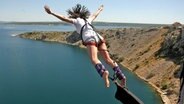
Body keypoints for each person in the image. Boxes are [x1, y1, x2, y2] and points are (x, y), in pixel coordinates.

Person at [44, 4, 126, 88]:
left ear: (74, 15)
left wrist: (52, 12)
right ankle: (122, 77)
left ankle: (103, 72)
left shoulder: (76, 21)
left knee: (94, 59)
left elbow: (63, 18)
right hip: (99, 37)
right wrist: (100, 9)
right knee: (108, 59)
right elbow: (95, 14)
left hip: (90, 38)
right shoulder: (88, 19)